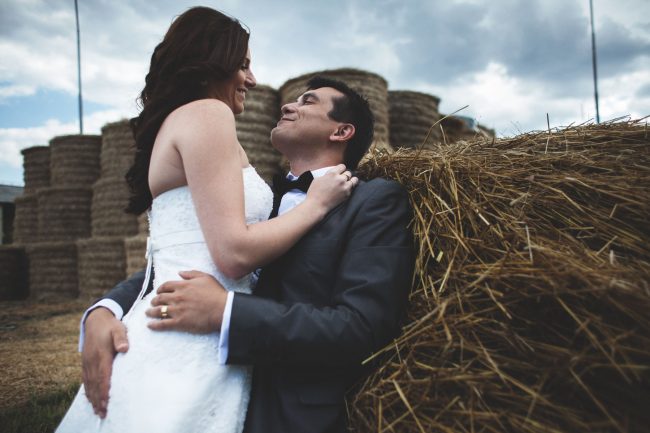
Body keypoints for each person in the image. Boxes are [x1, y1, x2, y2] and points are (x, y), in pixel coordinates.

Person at [56, 7, 356, 433]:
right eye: (244, 64)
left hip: (188, 329)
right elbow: (232, 253)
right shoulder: (208, 114)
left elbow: (182, 244)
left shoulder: (180, 122)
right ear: (212, 60)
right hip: (192, 339)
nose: (252, 80)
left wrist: (104, 310)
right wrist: (316, 205)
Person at [80, 73, 415, 432]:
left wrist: (226, 312)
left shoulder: (374, 201)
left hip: (284, 412)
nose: (288, 104)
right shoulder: (257, 200)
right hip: (203, 386)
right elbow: (187, 255)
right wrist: (105, 309)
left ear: (341, 132)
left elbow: (361, 329)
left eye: (308, 101)